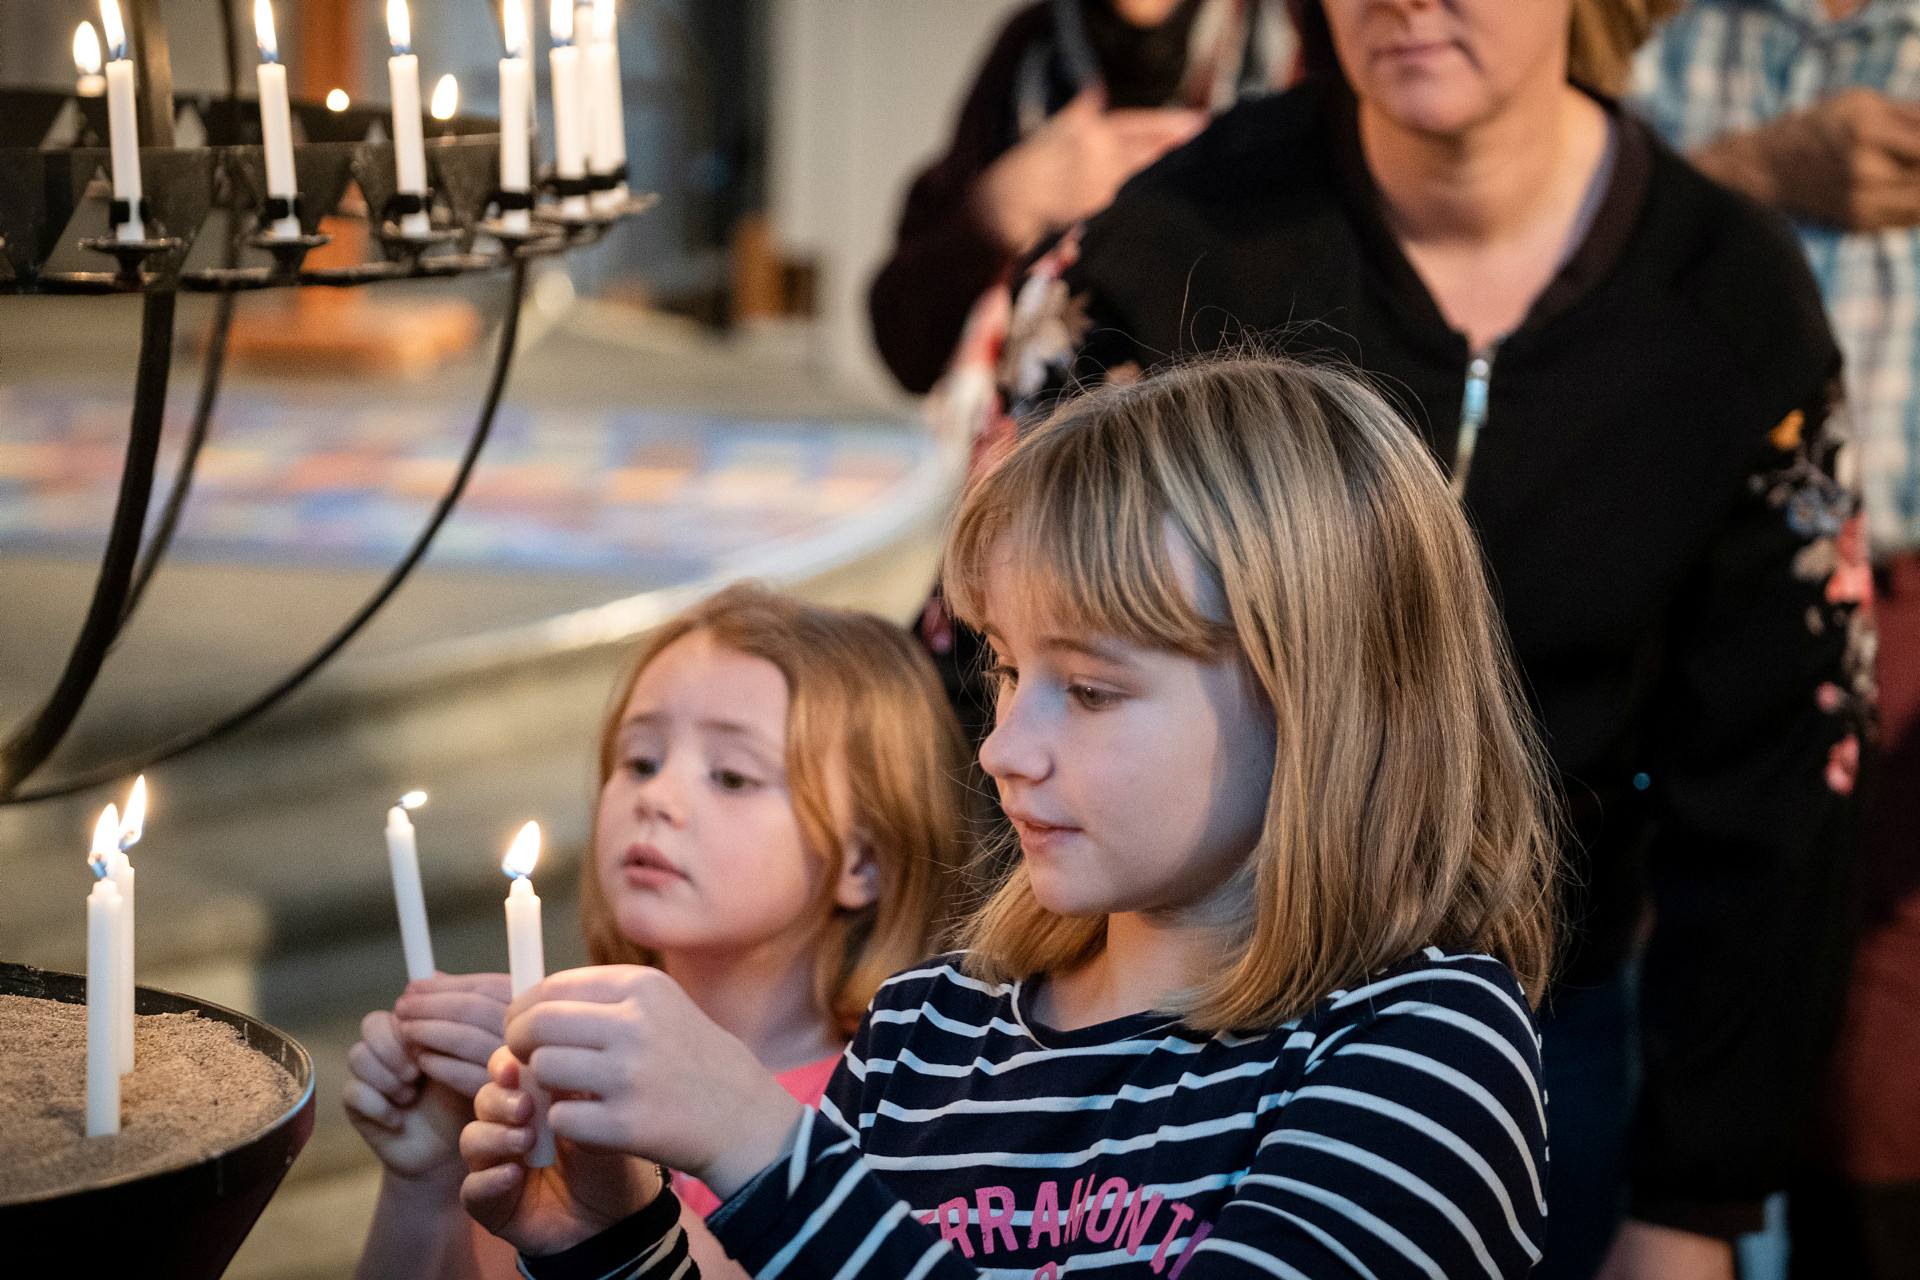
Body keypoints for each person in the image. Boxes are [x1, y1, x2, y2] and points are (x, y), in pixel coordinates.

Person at [978, 3, 1875, 1278]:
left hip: (1551, 1017)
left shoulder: (1730, 297)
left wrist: (1697, 1199)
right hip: (1157, 1006)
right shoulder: (1164, 242)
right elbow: (1002, 648)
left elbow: (1786, 776)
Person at [457, 356, 1561, 1280]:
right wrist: (617, 1239)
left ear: (1321, 698)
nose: (1001, 748)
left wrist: (759, 1144)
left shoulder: (1423, 1044)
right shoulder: (927, 1034)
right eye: (1004, 666)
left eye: (1088, 689)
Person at [341, 584, 969, 1279]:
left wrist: (619, 1201)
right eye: (639, 761)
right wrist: (424, 1178)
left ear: (864, 859)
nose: (658, 798)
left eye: (731, 776)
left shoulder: (899, 1106)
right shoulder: (546, 1083)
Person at [1632, 6, 1920, 1272]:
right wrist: (1758, 170)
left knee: (1873, 1075)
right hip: (1696, 602)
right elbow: (1566, 254)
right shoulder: (1665, 44)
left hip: (1911, 607)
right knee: (1707, 1011)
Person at [868, 0, 1298, 397]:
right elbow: (906, 346)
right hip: (1052, 460)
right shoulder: (1031, 55)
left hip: (1247, 456)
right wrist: (1005, 204)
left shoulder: (1293, 47)